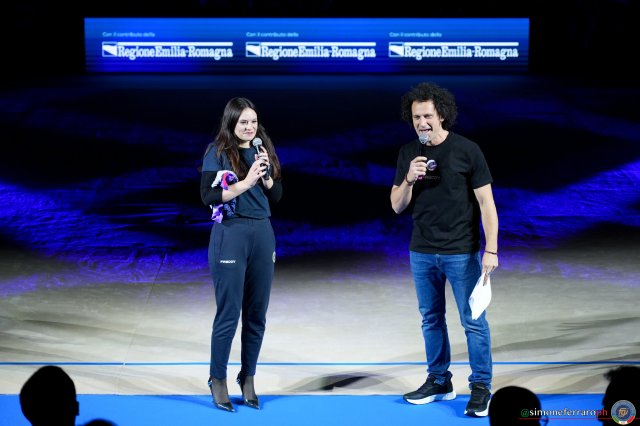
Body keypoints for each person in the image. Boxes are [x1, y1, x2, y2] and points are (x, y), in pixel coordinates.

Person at [390, 82, 499, 417]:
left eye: (427, 116)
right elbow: (396, 205)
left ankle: (481, 387)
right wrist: (409, 178)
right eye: (416, 117)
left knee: (473, 320)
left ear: (442, 116)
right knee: (431, 319)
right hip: (422, 251)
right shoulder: (409, 153)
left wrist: (492, 249)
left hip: (461, 252)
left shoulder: (467, 150)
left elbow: (487, 203)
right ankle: (439, 381)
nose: (421, 122)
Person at [200, 97, 283, 412]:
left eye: (254, 122)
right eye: (243, 122)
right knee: (229, 312)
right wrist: (247, 182)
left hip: (262, 233)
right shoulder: (218, 152)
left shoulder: (263, 150)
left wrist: (267, 177)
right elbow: (207, 195)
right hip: (231, 233)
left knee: (257, 313)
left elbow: (277, 195)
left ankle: (248, 377)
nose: (250, 127)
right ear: (231, 123)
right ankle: (217, 378)